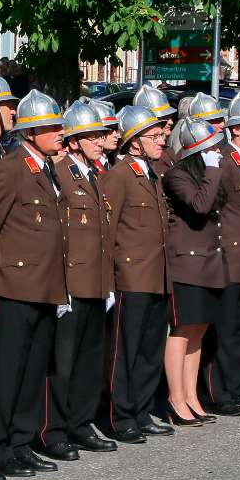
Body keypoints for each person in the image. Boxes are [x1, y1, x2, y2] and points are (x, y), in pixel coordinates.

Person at [0, 90, 69, 477]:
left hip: (44, 284)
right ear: (30, 133)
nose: (59, 133)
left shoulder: (46, 169)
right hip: (14, 286)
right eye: (50, 127)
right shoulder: (12, 168)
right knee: (7, 372)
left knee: (33, 370)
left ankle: (21, 441)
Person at [39, 98, 118, 458]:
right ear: (73, 141)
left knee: (89, 359)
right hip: (72, 281)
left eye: (101, 136)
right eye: (91, 137)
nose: (100, 142)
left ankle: (81, 422)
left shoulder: (93, 174)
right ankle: (54, 429)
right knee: (63, 364)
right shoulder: (61, 173)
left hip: (96, 281)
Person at [104, 105, 175, 442]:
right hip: (131, 278)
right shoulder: (118, 177)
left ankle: (142, 410)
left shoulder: (152, 172)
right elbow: (109, 231)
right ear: (134, 143)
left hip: (157, 276)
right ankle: (121, 416)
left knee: (149, 350)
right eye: (155, 137)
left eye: (163, 135)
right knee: (126, 351)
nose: (162, 141)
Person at [161, 118, 226, 425]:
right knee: (182, 330)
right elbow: (199, 206)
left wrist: (212, 170)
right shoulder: (177, 174)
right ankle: (176, 398)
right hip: (187, 262)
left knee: (198, 329)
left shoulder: (205, 173)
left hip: (208, 260)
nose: (217, 152)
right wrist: (212, 169)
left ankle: (191, 394)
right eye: (211, 148)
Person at [205, 92, 240, 416]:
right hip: (229, 256)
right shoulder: (225, 162)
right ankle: (220, 392)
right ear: (237, 129)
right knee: (225, 330)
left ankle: (239, 386)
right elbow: (214, 209)